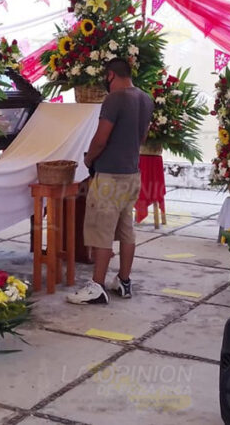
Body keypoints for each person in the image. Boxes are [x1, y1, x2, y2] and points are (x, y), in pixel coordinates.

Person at [67, 58, 154, 305]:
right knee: (126, 230)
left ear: (110, 75)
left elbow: (101, 138)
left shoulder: (115, 99)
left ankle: (97, 286)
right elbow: (142, 136)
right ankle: (124, 281)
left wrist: (89, 159)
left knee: (101, 231)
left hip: (109, 176)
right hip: (131, 173)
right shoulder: (145, 99)